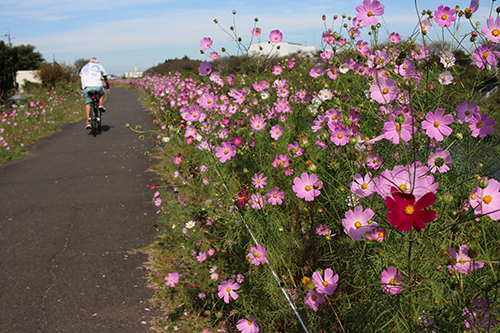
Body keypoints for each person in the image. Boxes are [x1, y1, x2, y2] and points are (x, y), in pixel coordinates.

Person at [79, 57, 110, 129]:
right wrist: (107, 85)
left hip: (86, 86)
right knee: (102, 93)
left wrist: (82, 87)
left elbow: (81, 79)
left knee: (88, 103)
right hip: (97, 86)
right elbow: (105, 78)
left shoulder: (84, 67)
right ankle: (100, 104)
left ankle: (88, 121)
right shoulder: (99, 66)